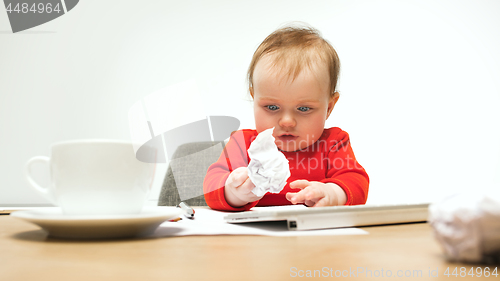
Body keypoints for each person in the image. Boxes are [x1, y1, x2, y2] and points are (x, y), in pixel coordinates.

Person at [203, 24, 369, 211]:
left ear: (329, 107)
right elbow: (212, 184)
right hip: (253, 236)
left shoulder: (333, 143)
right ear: (254, 98)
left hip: (315, 236)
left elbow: (356, 182)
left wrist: (332, 193)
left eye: (304, 108)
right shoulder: (242, 143)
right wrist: (233, 192)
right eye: (272, 107)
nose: (287, 121)